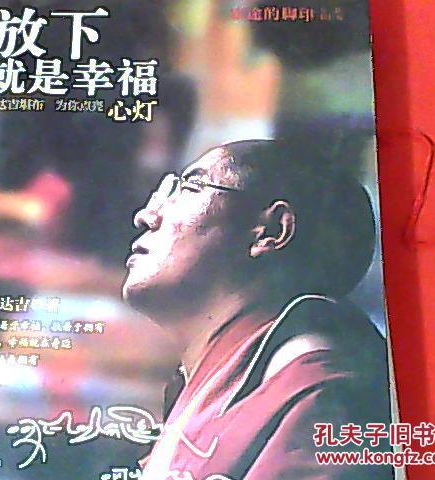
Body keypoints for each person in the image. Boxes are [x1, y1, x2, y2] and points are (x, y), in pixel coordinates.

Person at [122, 139, 393, 479]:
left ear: (271, 231)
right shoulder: (218, 384)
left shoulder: (320, 391)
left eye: (191, 187)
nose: (146, 216)